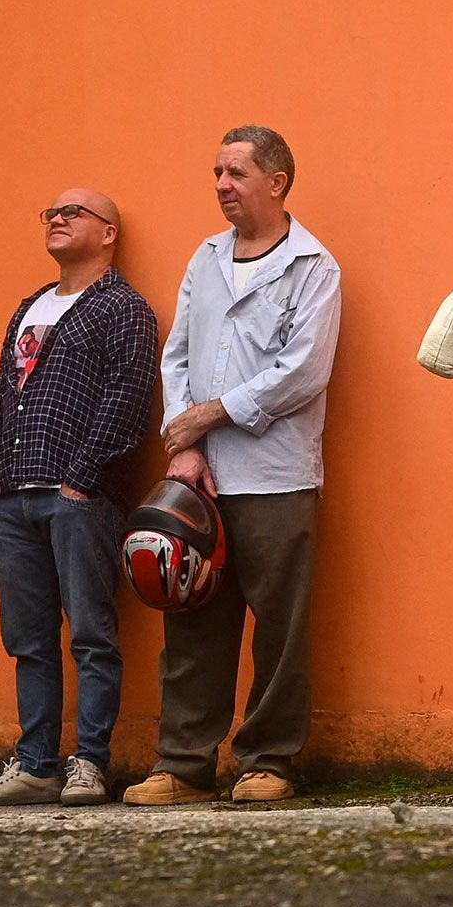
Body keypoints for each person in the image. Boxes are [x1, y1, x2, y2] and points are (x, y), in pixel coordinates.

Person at [127, 129, 342, 808]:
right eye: (216, 170)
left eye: (235, 172)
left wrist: (208, 415)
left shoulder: (314, 266)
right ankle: (185, 764)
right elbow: (177, 354)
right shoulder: (206, 257)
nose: (220, 183)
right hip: (199, 479)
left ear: (276, 181)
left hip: (276, 475)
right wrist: (184, 444)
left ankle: (267, 760)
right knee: (191, 621)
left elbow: (301, 374)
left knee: (280, 624)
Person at [0, 189, 160, 808]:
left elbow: (127, 401)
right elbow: (2, 394)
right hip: (11, 496)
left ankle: (91, 764)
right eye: (49, 211)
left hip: (79, 497)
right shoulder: (29, 307)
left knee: (93, 636)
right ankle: (36, 763)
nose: (56, 218)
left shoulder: (124, 308)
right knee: (27, 640)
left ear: (107, 234)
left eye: (72, 212)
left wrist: (81, 477)